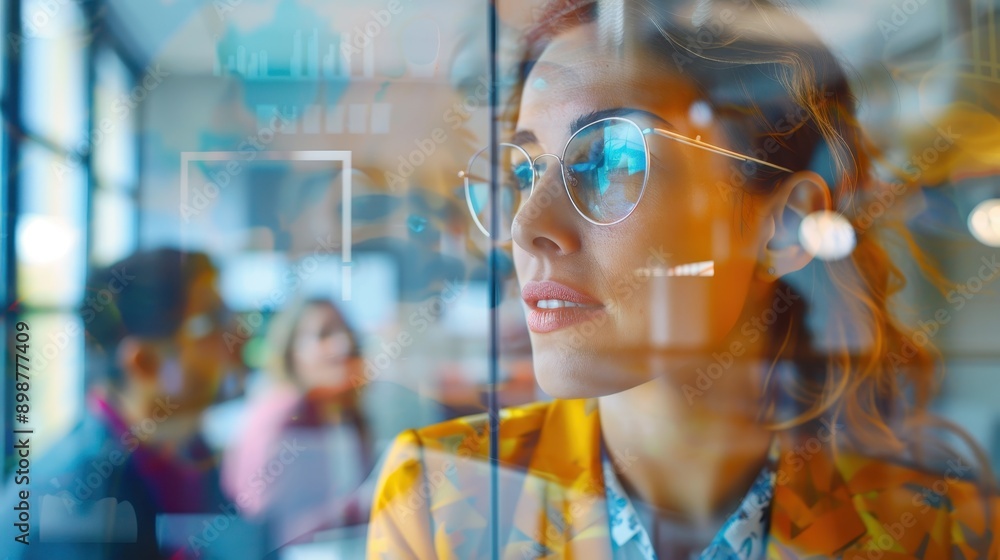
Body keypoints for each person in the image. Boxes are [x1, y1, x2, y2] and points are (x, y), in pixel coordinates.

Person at [366, 0, 998, 558]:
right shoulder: (443, 500)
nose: (528, 226)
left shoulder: (935, 531)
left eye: (613, 160)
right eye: (526, 172)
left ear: (783, 225)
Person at [2, 248, 237, 559]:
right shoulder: (73, 501)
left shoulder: (188, 451)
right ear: (145, 363)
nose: (238, 334)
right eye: (213, 322)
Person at [222, 297, 377, 547]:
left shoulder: (346, 416)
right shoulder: (283, 414)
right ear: (292, 351)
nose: (343, 344)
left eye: (346, 332)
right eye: (323, 334)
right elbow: (268, 523)